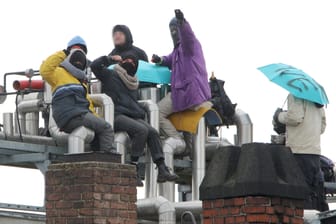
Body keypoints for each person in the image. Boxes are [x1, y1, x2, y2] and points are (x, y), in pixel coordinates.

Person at [90, 54, 179, 187]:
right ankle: (133, 168)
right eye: (126, 60)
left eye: (133, 62)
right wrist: (110, 59)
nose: (129, 62)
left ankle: (162, 168)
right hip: (116, 115)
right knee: (141, 130)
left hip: (132, 115)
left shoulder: (133, 83)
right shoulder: (110, 74)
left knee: (153, 132)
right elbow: (94, 66)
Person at [40, 36, 115, 152]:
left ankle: (95, 159)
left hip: (77, 114)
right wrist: (63, 53)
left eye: (82, 52)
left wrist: (96, 119)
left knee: (98, 134)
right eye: (74, 50)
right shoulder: (58, 73)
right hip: (70, 114)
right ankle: (109, 161)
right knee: (107, 128)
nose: (78, 54)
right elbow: (45, 69)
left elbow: (87, 105)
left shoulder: (81, 82)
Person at [152, 9, 212, 150]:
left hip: (187, 92)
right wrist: (160, 59)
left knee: (156, 112)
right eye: (171, 30)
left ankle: (175, 139)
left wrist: (182, 23)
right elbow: (170, 59)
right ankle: (191, 157)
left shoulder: (191, 45)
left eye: (175, 29)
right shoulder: (178, 50)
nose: (173, 32)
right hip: (187, 93)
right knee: (188, 127)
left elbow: (188, 36)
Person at [274, 94, 328, 211]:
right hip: (314, 151)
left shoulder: (295, 94)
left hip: (298, 150)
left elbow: (295, 117)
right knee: (315, 191)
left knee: (300, 192)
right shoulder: (317, 97)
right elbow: (322, 127)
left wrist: (279, 115)